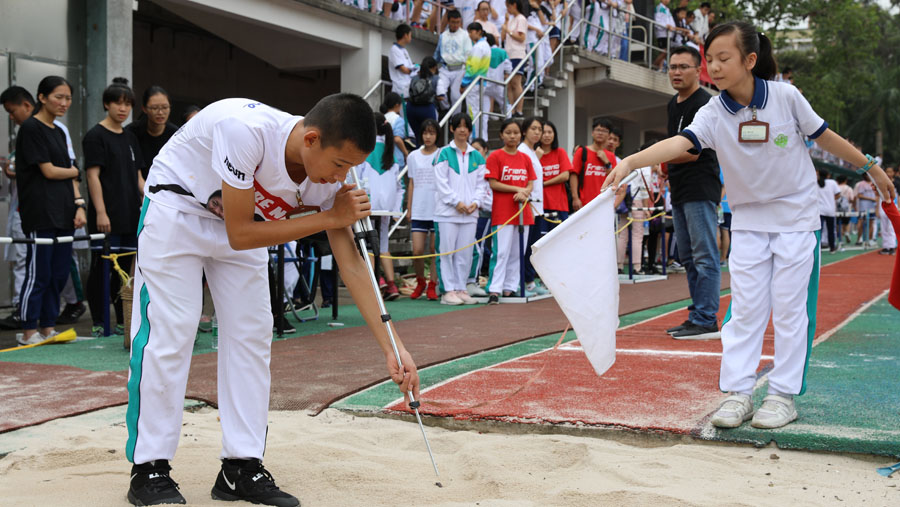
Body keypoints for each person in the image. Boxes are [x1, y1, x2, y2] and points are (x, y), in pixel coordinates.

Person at [126, 95, 421, 506]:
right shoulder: (244, 132)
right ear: (312, 139)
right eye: (340, 165)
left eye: (352, 167)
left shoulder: (330, 175)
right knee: (171, 333)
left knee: (252, 335)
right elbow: (240, 233)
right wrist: (327, 218)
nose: (344, 177)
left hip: (244, 226)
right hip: (178, 210)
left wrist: (394, 347)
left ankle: (241, 466)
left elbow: (352, 262)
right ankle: (150, 467)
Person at [602, 21, 896, 431]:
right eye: (711, 60)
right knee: (745, 312)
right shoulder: (713, 112)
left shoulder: (785, 97)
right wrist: (632, 161)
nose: (715, 68)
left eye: (724, 58)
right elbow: (681, 142)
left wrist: (870, 166)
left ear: (750, 60)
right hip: (749, 224)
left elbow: (825, 137)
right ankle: (739, 393)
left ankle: (782, 396)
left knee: (792, 312)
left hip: (796, 222)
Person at [13, 76, 87, 346]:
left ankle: (48, 327)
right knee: (38, 273)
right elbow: (49, 170)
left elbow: (69, 174)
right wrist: (74, 171)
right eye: (59, 97)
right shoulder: (31, 128)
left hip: (65, 212)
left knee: (58, 274)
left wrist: (79, 205)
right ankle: (29, 330)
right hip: (40, 212)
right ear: (41, 98)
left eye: (68, 98)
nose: (64, 103)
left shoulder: (59, 131)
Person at [662, 45, 722, 340]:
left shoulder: (706, 103)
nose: (675, 72)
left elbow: (694, 150)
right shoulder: (673, 103)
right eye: (672, 67)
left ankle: (707, 317)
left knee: (704, 255)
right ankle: (697, 313)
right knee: (686, 255)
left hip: (700, 188)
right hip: (680, 190)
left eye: (683, 67)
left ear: (699, 70)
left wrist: (659, 158)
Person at [83, 78, 145, 337]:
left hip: (130, 214)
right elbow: (92, 176)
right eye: (118, 103)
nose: (123, 109)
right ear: (106, 104)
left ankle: (123, 320)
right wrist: (100, 212)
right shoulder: (95, 136)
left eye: (127, 104)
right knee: (102, 269)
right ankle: (99, 321)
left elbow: (138, 176)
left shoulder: (130, 137)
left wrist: (149, 202)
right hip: (106, 216)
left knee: (126, 272)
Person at [433, 113, 489, 305]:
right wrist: (456, 202)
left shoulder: (477, 156)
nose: (462, 130)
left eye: (466, 126)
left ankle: (461, 288)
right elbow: (441, 183)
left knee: (464, 253)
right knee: (447, 252)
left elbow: (482, 184)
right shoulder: (443, 153)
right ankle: (447, 291)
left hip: (470, 213)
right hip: (448, 213)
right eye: (459, 126)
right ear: (452, 129)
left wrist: (475, 202)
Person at [485, 118, 536, 303]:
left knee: (518, 252)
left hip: (523, 211)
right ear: (501, 135)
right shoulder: (495, 156)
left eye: (515, 132)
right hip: (503, 212)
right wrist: (517, 190)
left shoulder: (525, 158)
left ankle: (510, 287)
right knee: (501, 251)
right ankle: (494, 289)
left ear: (520, 134)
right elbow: (493, 182)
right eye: (508, 132)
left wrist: (525, 192)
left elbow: (531, 182)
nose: (512, 136)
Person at [356, 113, 404, 301]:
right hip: (386, 208)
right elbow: (400, 187)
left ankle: (377, 283)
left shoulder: (365, 150)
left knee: (366, 246)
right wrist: (396, 209)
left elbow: (356, 178)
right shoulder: (390, 151)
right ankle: (390, 285)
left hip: (367, 206)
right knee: (382, 244)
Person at [406, 118, 441, 301]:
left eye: (432, 133)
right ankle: (420, 282)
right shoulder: (413, 156)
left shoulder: (442, 154)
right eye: (425, 133)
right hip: (419, 208)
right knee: (417, 250)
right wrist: (409, 207)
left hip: (437, 209)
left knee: (435, 249)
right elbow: (411, 182)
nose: (428, 136)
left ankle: (433, 285)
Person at [518, 116, 546, 295]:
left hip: (538, 206)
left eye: (539, 129)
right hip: (527, 206)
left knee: (532, 247)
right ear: (524, 131)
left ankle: (529, 281)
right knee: (524, 246)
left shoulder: (533, 152)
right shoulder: (521, 151)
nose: (537, 132)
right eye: (533, 128)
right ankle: (523, 282)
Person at [126, 86, 178, 179]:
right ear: (144, 109)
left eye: (165, 107)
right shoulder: (131, 132)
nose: (161, 112)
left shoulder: (175, 134)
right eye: (155, 108)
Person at [569, 117, 617, 211]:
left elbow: (614, 179)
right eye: (598, 130)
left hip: (604, 203)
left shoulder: (610, 156)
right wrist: (575, 198)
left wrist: (606, 162)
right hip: (584, 203)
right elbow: (573, 175)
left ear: (608, 135)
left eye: (604, 131)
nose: (600, 133)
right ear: (592, 133)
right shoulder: (581, 151)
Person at [467, 137, 493, 295]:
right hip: (470, 211)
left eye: (478, 149)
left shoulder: (489, 167)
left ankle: (474, 280)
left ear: (485, 150)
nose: (475, 152)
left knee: (479, 248)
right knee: (471, 247)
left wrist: (481, 203)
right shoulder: (470, 166)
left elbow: (488, 192)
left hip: (484, 212)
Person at [538, 120, 572, 235]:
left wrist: (544, 183)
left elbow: (565, 176)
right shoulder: (534, 155)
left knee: (560, 239)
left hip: (559, 204)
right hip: (539, 205)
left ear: (554, 134)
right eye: (544, 132)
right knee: (540, 240)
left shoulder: (560, 152)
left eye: (550, 132)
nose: (547, 135)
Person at [435, 10, 473, 110]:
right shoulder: (443, 36)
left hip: (460, 69)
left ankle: (454, 119)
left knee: (456, 97)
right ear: (448, 21)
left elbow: (469, 55)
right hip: (445, 69)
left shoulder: (465, 35)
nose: (455, 25)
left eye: (458, 22)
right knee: (440, 92)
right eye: (453, 22)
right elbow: (437, 53)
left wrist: (467, 72)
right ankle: (447, 109)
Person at [461, 22, 492, 140]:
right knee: (479, 113)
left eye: (471, 31)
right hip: (481, 83)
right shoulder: (485, 45)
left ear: (478, 31)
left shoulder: (479, 47)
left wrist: (463, 83)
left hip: (474, 84)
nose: (469, 34)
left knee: (473, 113)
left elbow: (472, 68)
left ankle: (474, 139)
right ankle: (481, 138)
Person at [502, 0, 528, 117]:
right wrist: (506, 22)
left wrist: (509, 31)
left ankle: (519, 110)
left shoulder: (521, 19)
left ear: (514, 5)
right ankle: (511, 110)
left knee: (516, 82)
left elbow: (521, 37)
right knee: (509, 83)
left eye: (508, 6)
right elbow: (503, 37)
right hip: (508, 54)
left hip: (517, 54)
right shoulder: (511, 20)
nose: (507, 9)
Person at [406, 56, 440, 145]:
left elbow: (408, 92)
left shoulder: (414, 77)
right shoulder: (436, 78)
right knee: (431, 136)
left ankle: (418, 152)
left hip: (411, 108)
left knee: (419, 136)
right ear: (435, 67)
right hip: (427, 109)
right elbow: (441, 96)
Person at [816, 169, 840, 253]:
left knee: (819, 230)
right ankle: (832, 248)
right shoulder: (832, 182)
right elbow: (838, 194)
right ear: (828, 175)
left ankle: (817, 248)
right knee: (831, 230)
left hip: (819, 210)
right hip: (830, 210)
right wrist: (831, 199)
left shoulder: (816, 182)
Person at [389, 24, 416, 99]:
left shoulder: (404, 50)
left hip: (407, 87)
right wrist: (414, 71)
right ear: (405, 35)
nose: (411, 37)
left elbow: (410, 67)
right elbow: (404, 69)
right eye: (410, 35)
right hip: (400, 88)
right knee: (403, 110)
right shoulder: (394, 49)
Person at [652, 0, 677, 70]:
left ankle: (660, 68)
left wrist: (672, 27)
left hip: (668, 33)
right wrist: (666, 26)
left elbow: (672, 22)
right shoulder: (659, 8)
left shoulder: (667, 9)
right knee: (664, 51)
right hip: (662, 33)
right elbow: (657, 21)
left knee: (665, 52)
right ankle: (654, 66)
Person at [854, 173, 877, 246]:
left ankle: (870, 240)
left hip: (872, 206)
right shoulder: (861, 184)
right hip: (863, 206)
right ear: (864, 175)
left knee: (871, 222)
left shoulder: (874, 184)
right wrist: (871, 199)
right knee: (860, 222)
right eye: (867, 175)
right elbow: (859, 195)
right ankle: (859, 239)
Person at [879, 165, 897, 255]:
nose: (889, 174)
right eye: (887, 171)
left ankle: (892, 247)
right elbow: (877, 195)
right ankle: (885, 247)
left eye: (891, 171)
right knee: (884, 227)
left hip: (894, 206)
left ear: (894, 172)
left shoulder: (897, 183)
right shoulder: (881, 182)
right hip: (883, 206)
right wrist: (876, 209)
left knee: (891, 228)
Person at [835, 174, 854, 243]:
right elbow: (852, 199)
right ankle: (846, 232)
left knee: (838, 224)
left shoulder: (836, 187)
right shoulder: (849, 188)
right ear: (846, 180)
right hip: (847, 209)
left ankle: (841, 238)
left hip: (837, 209)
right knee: (846, 223)